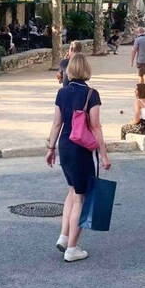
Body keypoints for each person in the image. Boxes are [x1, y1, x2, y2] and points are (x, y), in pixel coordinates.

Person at [45, 54, 110, 263]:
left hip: (64, 145)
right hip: (81, 148)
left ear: (70, 70)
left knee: (72, 191)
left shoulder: (61, 92)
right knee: (81, 197)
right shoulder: (92, 94)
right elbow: (95, 126)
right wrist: (104, 155)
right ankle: (72, 249)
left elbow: (57, 123)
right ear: (86, 70)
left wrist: (50, 148)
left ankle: (64, 236)